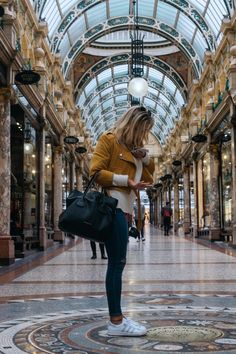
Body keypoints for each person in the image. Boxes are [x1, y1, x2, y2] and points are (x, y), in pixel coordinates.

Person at [90, 106, 154, 336]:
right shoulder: (108, 140)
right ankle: (116, 322)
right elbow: (95, 172)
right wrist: (127, 181)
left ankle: (117, 319)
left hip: (125, 210)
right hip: (112, 207)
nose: (143, 135)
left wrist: (145, 158)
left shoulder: (133, 149)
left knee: (119, 263)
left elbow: (149, 177)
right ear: (132, 125)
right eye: (142, 129)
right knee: (116, 264)